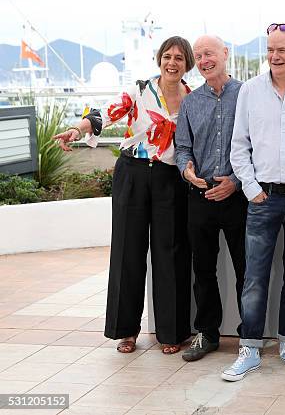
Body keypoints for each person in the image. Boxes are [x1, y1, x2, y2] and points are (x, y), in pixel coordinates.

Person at [53, 36, 195, 355]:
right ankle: (125, 330)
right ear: (159, 59)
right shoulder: (140, 90)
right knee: (127, 251)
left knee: (170, 254)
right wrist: (77, 130)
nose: (172, 63)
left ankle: (173, 332)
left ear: (188, 65)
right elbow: (103, 115)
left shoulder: (192, 98)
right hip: (131, 172)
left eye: (179, 58)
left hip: (169, 178)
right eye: (167, 56)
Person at [223, 23, 285, 381]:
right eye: (270, 50)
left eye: (282, 49)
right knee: (254, 278)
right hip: (262, 198)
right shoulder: (250, 91)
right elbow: (239, 145)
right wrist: (252, 189)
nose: (275, 56)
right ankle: (249, 349)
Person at [174, 35, 246, 362]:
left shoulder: (246, 95)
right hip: (199, 197)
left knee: (248, 269)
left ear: (225, 53)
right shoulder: (190, 102)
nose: (204, 60)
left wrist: (234, 181)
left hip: (238, 196)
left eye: (209, 53)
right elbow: (183, 148)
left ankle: (251, 335)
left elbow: (259, 145)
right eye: (199, 55)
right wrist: (185, 170)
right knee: (202, 270)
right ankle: (207, 334)